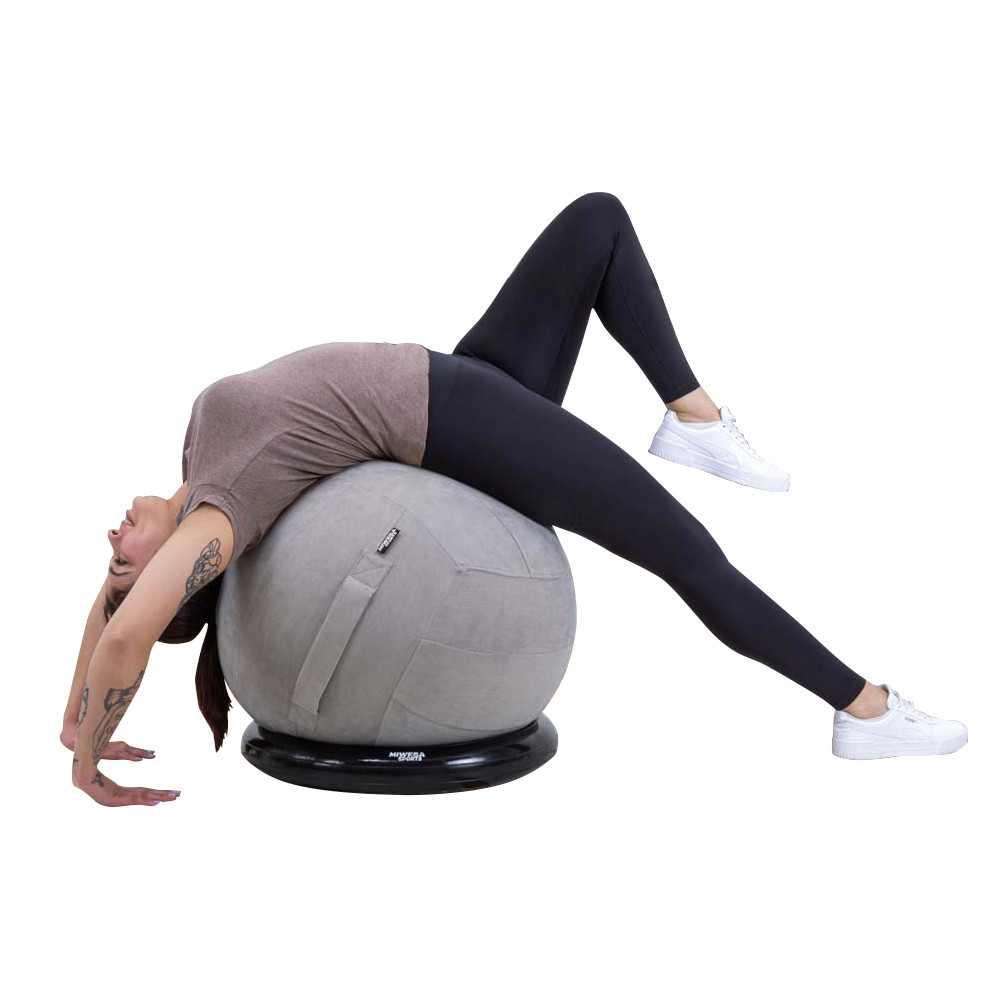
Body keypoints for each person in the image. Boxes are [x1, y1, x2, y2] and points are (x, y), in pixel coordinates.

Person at [61, 192, 967, 807]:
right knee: (689, 555)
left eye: (111, 554)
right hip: (454, 423)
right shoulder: (219, 518)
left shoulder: (199, 459)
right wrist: (94, 767)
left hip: (462, 382)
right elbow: (131, 631)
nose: (112, 536)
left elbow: (111, 615)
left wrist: (73, 725)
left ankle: (692, 412)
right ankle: (864, 708)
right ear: (178, 572)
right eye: (124, 560)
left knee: (596, 222)